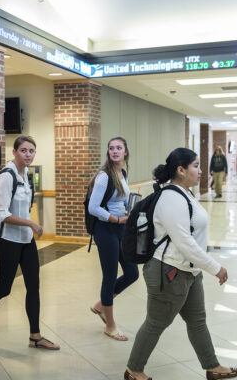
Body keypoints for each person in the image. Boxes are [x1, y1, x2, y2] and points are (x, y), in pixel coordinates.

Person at [124, 148, 237, 380]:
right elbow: (184, 242)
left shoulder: (186, 193)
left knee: (197, 321)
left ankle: (213, 367)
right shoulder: (171, 198)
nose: (201, 170)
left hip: (189, 271)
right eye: (196, 166)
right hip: (169, 270)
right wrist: (215, 268)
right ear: (180, 170)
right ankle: (133, 370)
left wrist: (202, 268)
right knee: (156, 322)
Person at [0, 135, 60, 351]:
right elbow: (1, 214)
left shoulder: (26, 174)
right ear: (15, 152)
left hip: (26, 241)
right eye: (24, 150)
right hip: (8, 240)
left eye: (31, 151)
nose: (28, 154)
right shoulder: (7, 176)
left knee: (33, 287)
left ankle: (35, 336)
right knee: (3, 288)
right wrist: (30, 223)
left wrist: (28, 227)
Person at [88, 136, 139, 341]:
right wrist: (116, 219)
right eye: (111, 148)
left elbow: (119, 200)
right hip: (106, 229)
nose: (115, 151)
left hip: (120, 227)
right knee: (109, 276)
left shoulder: (122, 173)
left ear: (125, 151)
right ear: (108, 152)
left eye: (119, 148)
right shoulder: (104, 176)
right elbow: (93, 207)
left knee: (132, 273)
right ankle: (110, 325)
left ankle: (100, 305)